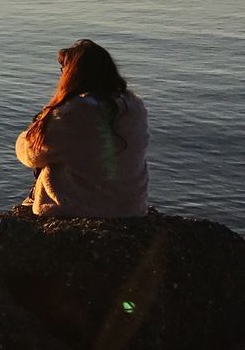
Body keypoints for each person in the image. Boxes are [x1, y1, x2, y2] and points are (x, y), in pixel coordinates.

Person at [15, 39, 148, 218]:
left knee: (46, 153)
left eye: (63, 70)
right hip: (131, 208)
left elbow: (31, 156)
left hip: (79, 208)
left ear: (71, 75)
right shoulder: (135, 107)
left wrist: (34, 129)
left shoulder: (71, 114)